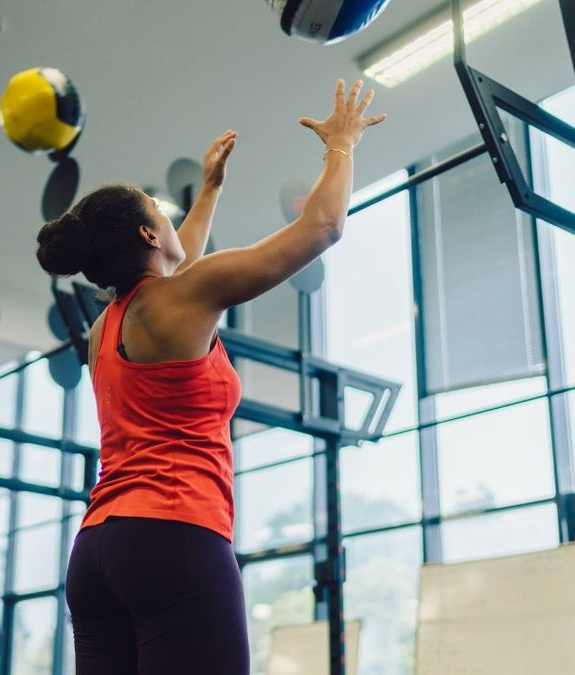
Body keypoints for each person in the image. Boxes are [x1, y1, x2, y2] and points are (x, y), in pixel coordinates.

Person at [35, 79, 384, 674]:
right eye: (160, 213)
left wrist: (211, 189)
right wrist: (342, 143)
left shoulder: (106, 327)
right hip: (174, 537)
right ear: (148, 235)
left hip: (96, 553)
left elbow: (178, 257)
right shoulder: (182, 301)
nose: (174, 224)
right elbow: (323, 226)